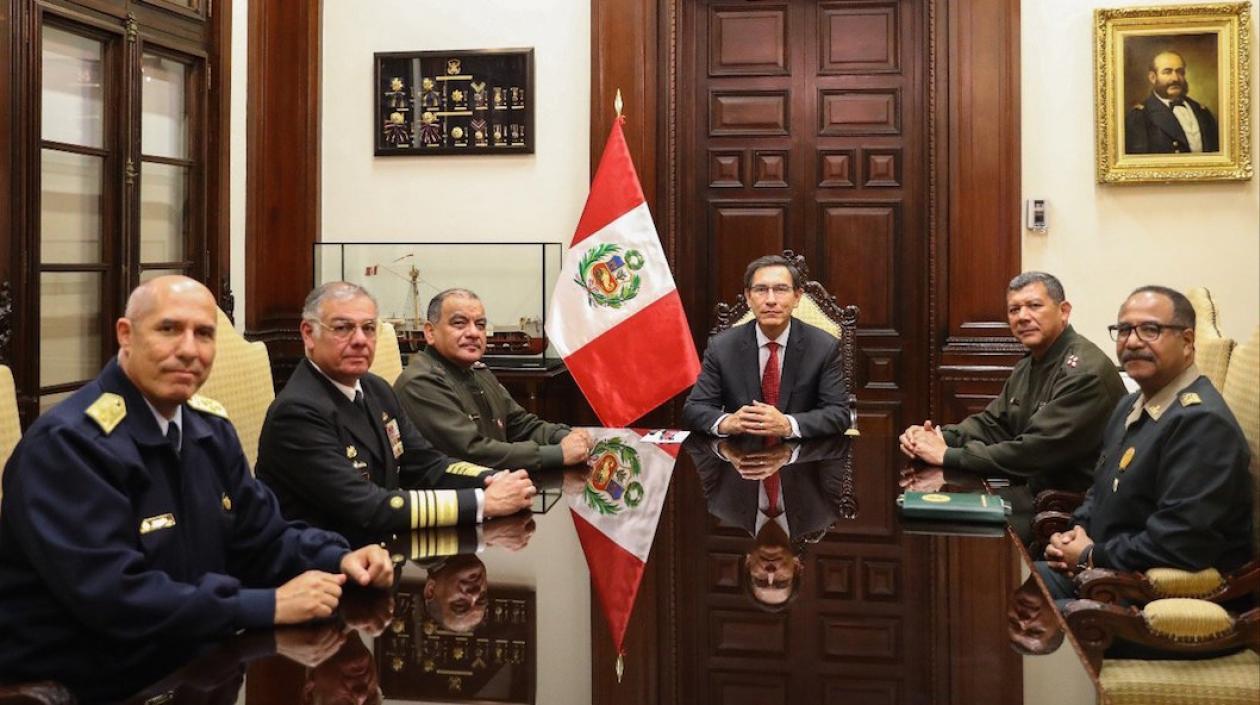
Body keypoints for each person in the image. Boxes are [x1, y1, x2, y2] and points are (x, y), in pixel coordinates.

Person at [0, 276, 394, 688]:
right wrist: (267, 605)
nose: (188, 350)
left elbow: (263, 539)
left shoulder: (208, 430)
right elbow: (114, 598)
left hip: (196, 662)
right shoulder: (70, 445)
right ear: (126, 336)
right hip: (94, 682)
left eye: (204, 334)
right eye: (168, 329)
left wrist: (339, 558)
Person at [256, 282, 536, 545]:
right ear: (308, 334)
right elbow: (368, 506)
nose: (359, 340)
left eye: (368, 328)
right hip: (321, 572)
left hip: (379, 552)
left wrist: (491, 479)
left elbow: (425, 464)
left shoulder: (375, 389)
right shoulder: (297, 413)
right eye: (343, 328)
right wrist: (482, 503)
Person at [1039, 286, 1252, 605]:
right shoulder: (1130, 404)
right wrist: (1075, 530)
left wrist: (1090, 554)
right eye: (1124, 330)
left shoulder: (1201, 423)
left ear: (1187, 342)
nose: (1133, 341)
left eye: (1150, 329)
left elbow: (1182, 541)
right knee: (1003, 592)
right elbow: (1099, 489)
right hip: (1109, 570)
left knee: (1027, 624)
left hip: (1162, 596)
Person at [899, 272, 1126, 495]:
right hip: (1032, 488)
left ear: (1064, 311)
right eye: (1014, 310)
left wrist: (948, 455)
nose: (1023, 317)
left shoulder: (1083, 373)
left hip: (1069, 506)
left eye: (1034, 306)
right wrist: (940, 437)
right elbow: (994, 423)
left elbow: (1033, 452)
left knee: (952, 518)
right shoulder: (1033, 360)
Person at [394, 289, 593, 472]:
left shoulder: (478, 372)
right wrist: (558, 454)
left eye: (480, 325)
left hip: (498, 489)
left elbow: (521, 426)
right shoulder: (421, 382)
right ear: (430, 332)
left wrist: (564, 435)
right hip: (455, 502)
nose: (473, 333)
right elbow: (473, 452)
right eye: (459, 323)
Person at [682, 255, 851, 438]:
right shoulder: (722, 347)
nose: (770, 300)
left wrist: (788, 425)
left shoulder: (823, 347)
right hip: (741, 457)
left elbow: (839, 414)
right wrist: (727, 422)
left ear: (797, 297)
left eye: (780, 289)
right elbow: (694, 410)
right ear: (748, 297)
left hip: (802, 458)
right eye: (761, 290)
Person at [685, 435, 854, 609]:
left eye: (760, 580)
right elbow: (839, 446)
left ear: (748, 563)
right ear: (797, 566)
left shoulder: (722, 503)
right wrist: (790, 454)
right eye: (781, 581)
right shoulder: (821, 512)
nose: (770, 573)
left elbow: (693, 442)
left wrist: (724, 449)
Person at [1125, 50, 1220, 154]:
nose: (1175, 78)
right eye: (1167, 72)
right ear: (1153, 77)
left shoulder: (1202, 111)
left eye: (1180, 72)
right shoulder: (1139, 116)